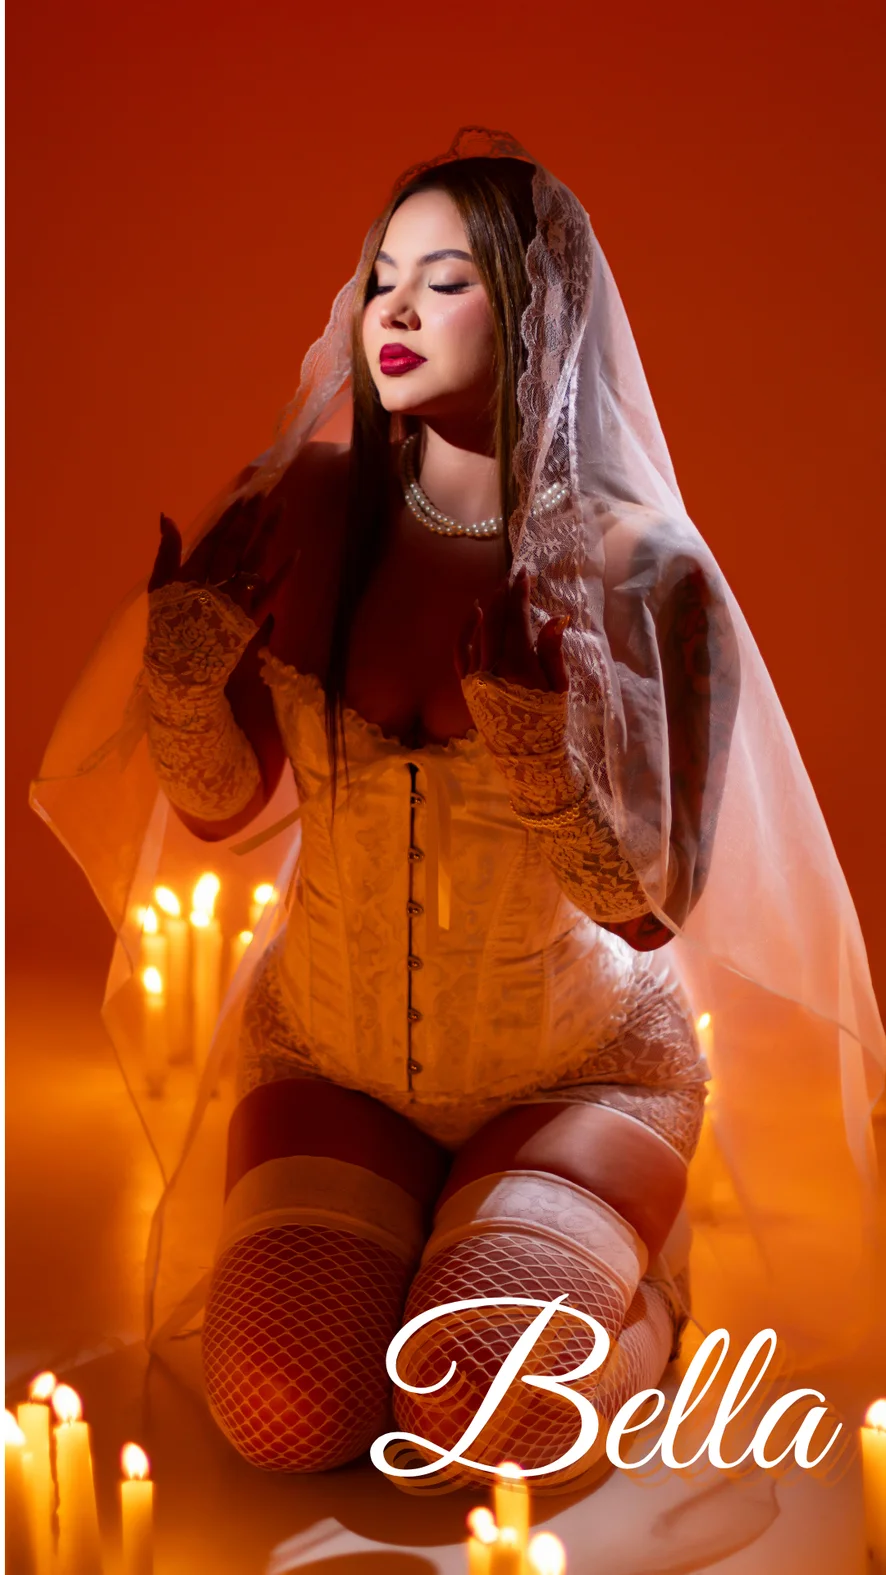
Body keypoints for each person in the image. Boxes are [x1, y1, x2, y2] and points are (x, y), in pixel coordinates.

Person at [31, 127, 885, 1498]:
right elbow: (223, 809)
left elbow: (649, 910)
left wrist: (544, 759)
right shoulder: (303, 508)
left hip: (575, 1067)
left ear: (535, 312)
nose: (398, 311)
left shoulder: (642, 572)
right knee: (278, 1413)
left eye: (446, 281)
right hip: (331, 1051)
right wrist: (185, 690)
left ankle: (639, 1317)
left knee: (476, 1420)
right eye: (383, 278)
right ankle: (450, 1234)